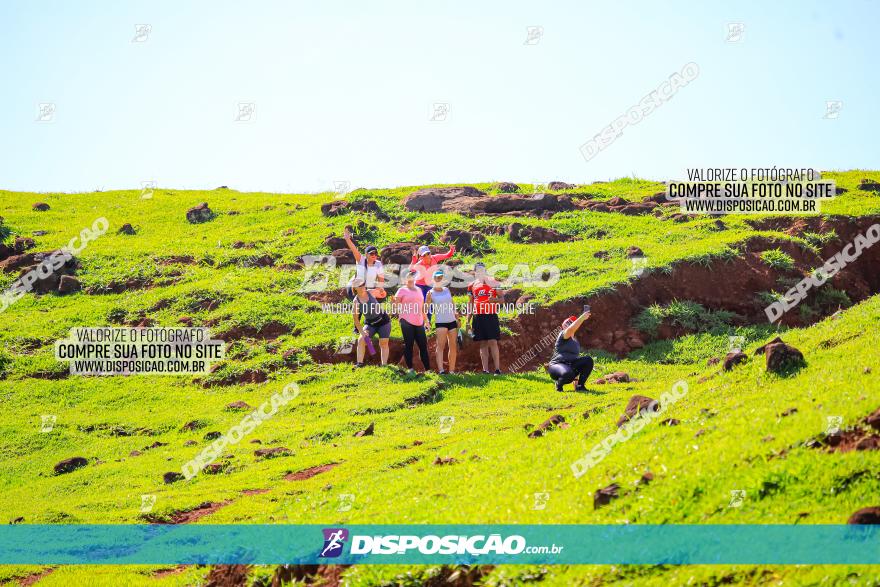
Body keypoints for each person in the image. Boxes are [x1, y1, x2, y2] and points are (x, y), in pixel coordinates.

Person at [466, 262, 503, 375]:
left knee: (493, 341)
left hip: (490, 314)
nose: (480, 272)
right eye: (478, 270)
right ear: (475, 272)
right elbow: (470, 304)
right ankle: (485, 370)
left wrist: (494, 300)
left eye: (482, 270)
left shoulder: (493, 282)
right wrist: (468, 321)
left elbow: (502, 299)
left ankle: (497, 369)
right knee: (482, 343)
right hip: (478, 316)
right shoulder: (471, 285)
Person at [393, 270, 431, 374]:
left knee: (423, 346)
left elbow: (422, 307)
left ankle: (428, 370)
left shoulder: (419, 289)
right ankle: (410, 369)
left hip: (419, 321)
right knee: (409, 345)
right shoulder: (401, 290)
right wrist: (398, 311)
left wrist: (426, 321)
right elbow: (395, 305)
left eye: (413, 275)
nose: (412, 277)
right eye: (410, 276)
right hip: (406, 320)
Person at [547, 312, 594, 392]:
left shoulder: (575, 341)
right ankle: (558, 384)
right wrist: (582, 318)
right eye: (568, 322)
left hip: (570, 366)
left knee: (588, 360)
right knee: (568, 373)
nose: (571, 324)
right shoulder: (563, 334)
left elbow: (576, 363)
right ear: (563, 326)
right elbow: (570, 329)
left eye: (572, 322)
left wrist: (575, 383)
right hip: (557, 365)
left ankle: (580, 386)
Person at [350, 278, 391, 367]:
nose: (362, 286)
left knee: (383, 342)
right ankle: (359, 364)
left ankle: (384, 365)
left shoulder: (371, 292)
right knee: (361, 339)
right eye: (359, 285)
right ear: (355, 288)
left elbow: (383, 295)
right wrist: (362, 332)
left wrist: (382, 291)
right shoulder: (356, 301)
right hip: (370, 324)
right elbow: (356, 319)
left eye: (363, 284)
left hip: (383, 321)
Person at [409, 243, 455, 322]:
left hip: (430, 285)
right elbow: (411, 269)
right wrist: (414, 259)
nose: (427, 256)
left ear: (430, 253)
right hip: (420, 285)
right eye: (424, 255)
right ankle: (420, 322)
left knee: (429, 304)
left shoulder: (435, 258)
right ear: (421, 256)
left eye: (428, 253)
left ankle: (428, 324)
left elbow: (448, 255)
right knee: (422, 303)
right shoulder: (420, 264)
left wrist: (451, 249)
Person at [425, 270, 459, 374]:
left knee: (453, 346)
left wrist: (456, 314)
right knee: (440, 346)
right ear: (433, 279)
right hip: (441, 322)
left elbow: (452, 303)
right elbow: (426, 309)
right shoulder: (430, 292)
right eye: (437, 277)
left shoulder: (446, 290)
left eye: (441, 277)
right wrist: (427, 321)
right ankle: (441, 370)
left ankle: (452, 371)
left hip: (452, 321)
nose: (439, 279)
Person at [343, 227, 386, 299]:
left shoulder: (378, 264)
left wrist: (379, 290)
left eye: (375, 253)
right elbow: (354, 250)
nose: (374, 255)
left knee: (382, 295)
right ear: (366, 255)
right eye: (371, 254)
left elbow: (381, 281)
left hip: (368, 287)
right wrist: (347, 239)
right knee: (360, 297)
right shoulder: (361, 259)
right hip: (356, 287)